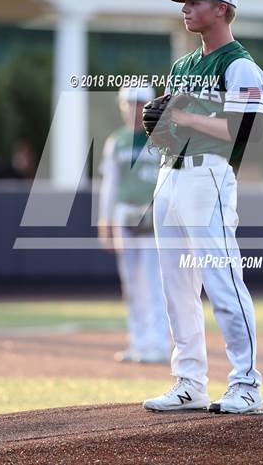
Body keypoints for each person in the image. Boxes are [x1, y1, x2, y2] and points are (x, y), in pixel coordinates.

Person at [143, 0, 263, 413]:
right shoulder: (182, 66)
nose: (185, 8)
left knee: (222, 280)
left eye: (195, 1)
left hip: (209, 177)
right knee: (176, 286)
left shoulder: (240, 65)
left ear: (222, 9)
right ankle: (190, 382)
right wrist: (164, 127)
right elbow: (173, 128)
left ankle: (247, 384)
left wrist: (184, 116)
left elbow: (245, 131)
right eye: (184, 1)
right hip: (170, 175)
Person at [98, 87, 171, 364]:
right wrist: (104, 223)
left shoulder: (163, 136)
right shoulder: (116, 141)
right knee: (131, 283)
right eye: (128, 104)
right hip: (125, 215)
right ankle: (139, 341)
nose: (133, 109)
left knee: (153, 280)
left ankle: (159, 343)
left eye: (139, 103)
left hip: (154, 215)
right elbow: (109, 186)